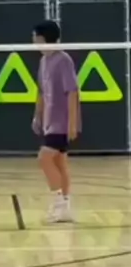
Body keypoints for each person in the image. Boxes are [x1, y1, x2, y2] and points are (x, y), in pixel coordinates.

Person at [32, 20, 80, 223]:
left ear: (43, 38)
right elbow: (41, 92)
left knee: (44, 158)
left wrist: (72, 123)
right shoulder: (43, 61)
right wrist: (37, 115)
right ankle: (65, 208)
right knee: (59, 162)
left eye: (35, 37)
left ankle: (59, 203)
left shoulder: (63, 60)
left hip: (61, 122)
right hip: (49, 121)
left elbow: (72, 92)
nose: (33, 41)